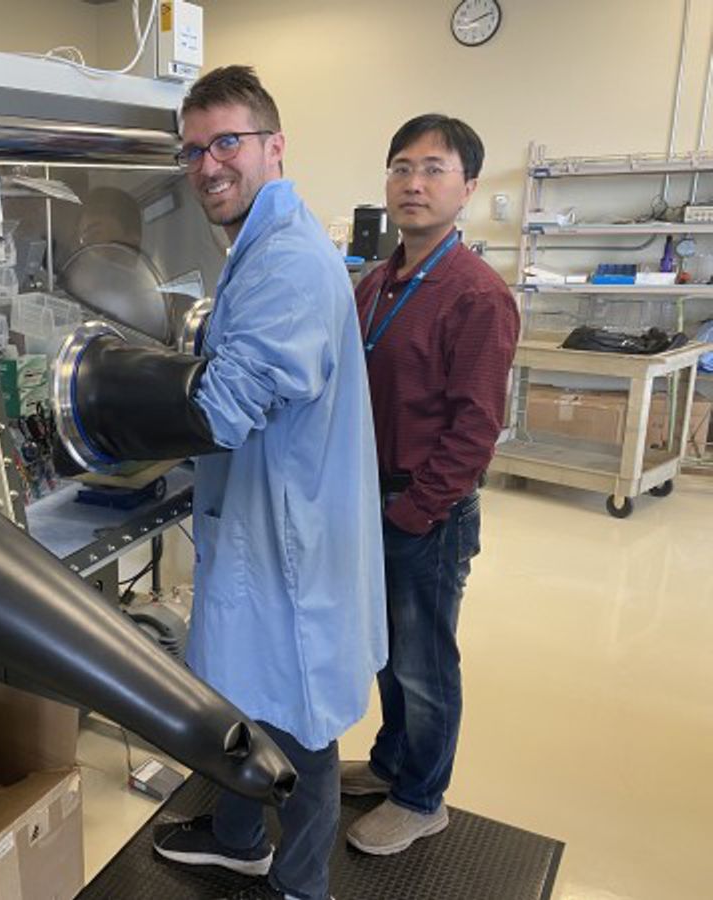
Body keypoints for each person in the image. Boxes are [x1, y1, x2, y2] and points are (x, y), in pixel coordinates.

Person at [149, 65, 386, 900]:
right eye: (192, 150)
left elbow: (222, 412)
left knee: (301, 723)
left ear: (273, 147)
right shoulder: (259, 248)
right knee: (249, 699)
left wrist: (113, 406)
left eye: (227, 143)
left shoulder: (284, 263)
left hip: (291, 536)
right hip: (268, 515)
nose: (208, 165)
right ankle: (239, 836)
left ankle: (300, 882)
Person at [341, 115, 519, 855]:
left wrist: (414, 513)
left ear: (467, 188)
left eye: (435, 169)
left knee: (425, 661)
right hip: (371, 500)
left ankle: (422, 798)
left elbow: (476, 428)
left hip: (426, 511)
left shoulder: (476, 295)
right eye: (401, 167)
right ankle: (390, 763)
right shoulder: (378, 282)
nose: (414, 183)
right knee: (386, 651)